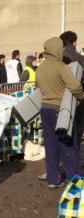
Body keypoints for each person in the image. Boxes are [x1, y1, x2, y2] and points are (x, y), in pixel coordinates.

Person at [36, 37, 83, 189]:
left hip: (45, 109)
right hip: (61, 110)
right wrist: (81, 97)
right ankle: (73, 180)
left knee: (50, 145)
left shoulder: (41, 67)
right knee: (68, 143)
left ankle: (53, 179)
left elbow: (38, 87)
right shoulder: (61, 66)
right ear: (56, 48)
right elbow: (75, 86)